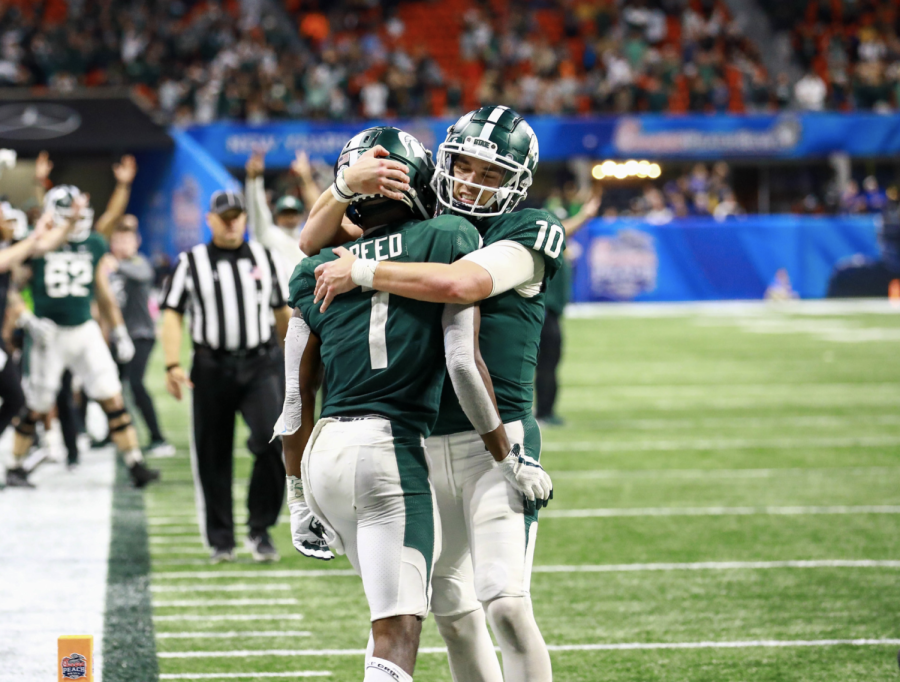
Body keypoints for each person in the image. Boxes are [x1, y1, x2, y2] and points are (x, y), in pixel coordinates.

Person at [279, 126, 548, 682]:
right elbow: (460, 360)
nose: (472, 183)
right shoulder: (445, 232)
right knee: (417, 620)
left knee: (493, 601)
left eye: (490, 173)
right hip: (405, 446)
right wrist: (507, 454)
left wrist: (297, 496)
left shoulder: (315, 269)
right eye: (465, 167)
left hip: (335, 450)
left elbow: (294, 397)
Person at [160, 189, 292, 564]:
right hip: (212, 365)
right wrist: (172, 364)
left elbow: (281, 311)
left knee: (273, 441)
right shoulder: (191, 262)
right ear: (211, 220)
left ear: (245, 219)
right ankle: (221, 539)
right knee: (212, 453)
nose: (232, 221)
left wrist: (295, 363)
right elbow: (172, 312)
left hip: (260, 362)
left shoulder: (266, 259)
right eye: (225, 216)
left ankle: (260, 528)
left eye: (238, 215)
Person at [8, 187, 159, 489]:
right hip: (48, 335)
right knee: (38, 404)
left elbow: (103, 291)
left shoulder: (93, 243)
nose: (77, 221)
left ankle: (135, 463)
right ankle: (14, 466)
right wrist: (28, 319)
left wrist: (118, 331)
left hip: (84, 329)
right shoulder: (36, 245)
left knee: (111, 395)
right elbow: (10, 289)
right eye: (69, 215)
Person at [0, 208, 83, 486]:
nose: (11, 223)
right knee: (15, 396)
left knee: (15, 397)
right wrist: (33, 237)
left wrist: (68, 223)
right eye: (5, 218)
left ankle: (14, 467)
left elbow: (44, 244)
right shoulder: (9, 251)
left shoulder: (11, 245)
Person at [106, 215, 174, 457]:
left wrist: (115, 264)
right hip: (118, 336)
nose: (122, 245)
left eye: (127, 240)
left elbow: (143, 275)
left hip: (140, 335)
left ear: (137, 242)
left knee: (136, 384)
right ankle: (112, 434)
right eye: (117, 240)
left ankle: (158, 438)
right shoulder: (110, 269)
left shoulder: (139, 263)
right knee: (109, 388)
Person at [536, 190, 602, 426]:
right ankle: (543, 412)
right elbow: (561, 231)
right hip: (542, 311)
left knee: (549, 364)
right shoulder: (547, 236)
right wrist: (584, 215)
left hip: (549, 311)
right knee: (547, 364)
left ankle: (544, 411)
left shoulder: (559, 245)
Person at [245, 149, 321, 266]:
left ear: (301, 216)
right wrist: (254, 180)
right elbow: (257, 213)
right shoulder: (270, 236)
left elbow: (321, 212)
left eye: (294, 212)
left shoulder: (309, 240)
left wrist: (305, 178)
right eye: (285, 213)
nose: (290, 217)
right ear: (277, 216)